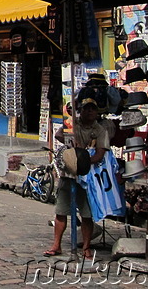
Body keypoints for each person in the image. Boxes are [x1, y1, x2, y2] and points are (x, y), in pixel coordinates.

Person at [45, 98, 109, 259]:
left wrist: (83, 161)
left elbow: (100, 154)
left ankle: (86, 247)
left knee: (86, 214)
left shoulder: (100, 130)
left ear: (96, 112)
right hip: (69, 172)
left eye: (92, 109)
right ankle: (56, 245)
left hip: (89, 176)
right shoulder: (72, 125)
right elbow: (59, 134)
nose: (89, 112)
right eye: (86, 109)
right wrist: (71, 143)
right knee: (61, 211)